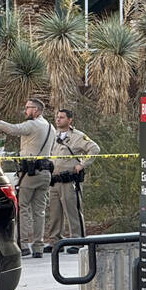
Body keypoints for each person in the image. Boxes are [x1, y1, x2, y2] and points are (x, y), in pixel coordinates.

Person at [0, 99, 53, 258]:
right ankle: (38, 246)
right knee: (39, 211)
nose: (25, 111)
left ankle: (23, 244)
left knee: (23, 207)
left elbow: (12, 129)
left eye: (28, 108)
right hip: (45, 172)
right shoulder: (50, 127)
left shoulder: (32, 125)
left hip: (30, 173)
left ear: (37, 110)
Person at [45, 108, 100, 253]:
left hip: (70, 180)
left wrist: (82, 164)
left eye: (62, 117)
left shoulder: (77, 136)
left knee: (73, 211)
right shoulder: (53, 135)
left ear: (69, 120)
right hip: (55, 179)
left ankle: (78, 240)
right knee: (55, 212)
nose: (58, 120)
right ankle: (55, 241)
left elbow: (95, 149)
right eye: (57, 117)